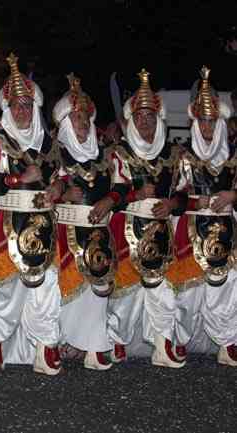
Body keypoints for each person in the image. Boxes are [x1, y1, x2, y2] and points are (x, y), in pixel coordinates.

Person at [0, 53, 62, 374]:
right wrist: (17, 178)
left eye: (27, 105)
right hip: (8, 219)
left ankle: (45, 346)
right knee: (6, 287)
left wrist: (57, 187)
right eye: (16, 106)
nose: (22, 111)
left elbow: (60, 176)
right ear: (7, 109)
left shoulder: (49, 143)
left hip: (44, 220)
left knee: (46, 284)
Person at [106, 69, 193, 368]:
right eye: (140, 117)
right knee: (126, 294)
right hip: (127, 229)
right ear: (131, 120)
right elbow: (112, 194)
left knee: (163, 290)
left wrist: (171, 204)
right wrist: (135, 195)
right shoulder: (119, 153)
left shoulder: (174, 154)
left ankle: (162, 345)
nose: (145, 122)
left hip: (161, 231)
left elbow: (184, 193)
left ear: (159, 119)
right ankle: (117, 341)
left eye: (150, 116)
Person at [173, 67, 237, 367]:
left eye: (212, 121)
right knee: (189, 294)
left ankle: (227, 342)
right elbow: (174, 197)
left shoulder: (234, 155)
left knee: (227, 287)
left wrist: (233, 196)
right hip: (191, 229)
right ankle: (180, 338)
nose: (207, 126)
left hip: (226, 230)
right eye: (202, 120)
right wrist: (195, 200)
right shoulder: (183, 155)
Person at [53, 74, 118, 370]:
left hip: (99, 233)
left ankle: (93, 346)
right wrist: (62, 194)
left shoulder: (105, 155)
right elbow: (40, 191)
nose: (81, 122)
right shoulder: (55, 154)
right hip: (64, 233)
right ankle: (66, 341)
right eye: (76, 117)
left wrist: (110, 200)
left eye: (84, 117)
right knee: (68, 289)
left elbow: (123, 187)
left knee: (97, 289)